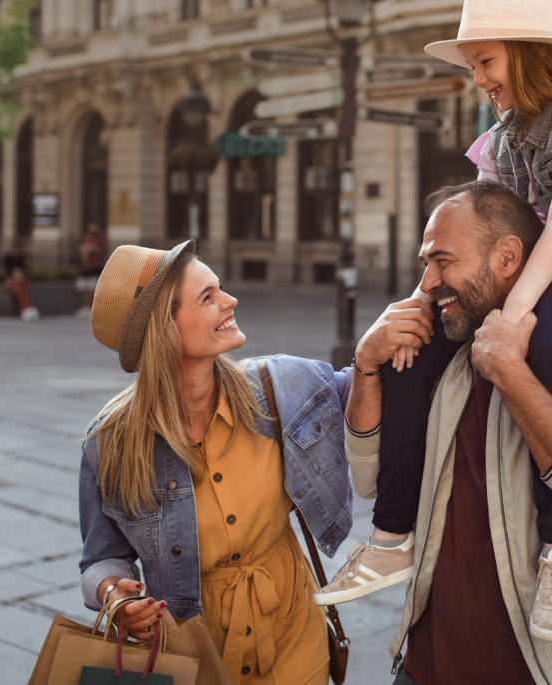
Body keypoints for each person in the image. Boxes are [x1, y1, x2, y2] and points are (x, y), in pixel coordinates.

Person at [317, 0, 552, 644]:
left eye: (485, 61)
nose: (478, 77)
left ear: (528, 52)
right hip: (529, 253)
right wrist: (413, 310)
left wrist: (515, 316)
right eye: (473, 64)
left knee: (539, 347)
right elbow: (479, 231)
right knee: (420, 344)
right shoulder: (502, 138)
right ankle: (391, 534)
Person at [344, 181, 552, 684]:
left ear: (506, 257)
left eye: (443, 261)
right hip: (428, 661)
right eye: (424, 263)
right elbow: (371, 481)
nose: (427, 283)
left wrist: (511, 374)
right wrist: (366, 365)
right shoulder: (450, 346)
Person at [77, 240, 361, 685]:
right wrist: (115, 598)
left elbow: (362, 386)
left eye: (220, 288)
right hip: (194, 655)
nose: (230, 301)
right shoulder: (109, 444)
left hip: (294, 632)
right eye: (207, 298)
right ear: (164, 329)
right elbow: (100, 559)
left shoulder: (275, 386)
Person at [76, 220, 107, 316]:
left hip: (96, 266)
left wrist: (92, 248)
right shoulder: (86, 237)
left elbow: (103, 250)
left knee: (94, 289)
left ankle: (95, 308)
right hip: (86, 266)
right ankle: (86, 307)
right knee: (86, 288)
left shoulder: (101, 237)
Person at [3, 240, 39, 321]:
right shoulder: (8, 258)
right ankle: (27, 309)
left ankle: (26, 309)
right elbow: (6, 271)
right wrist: (13, 275)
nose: (21, 251)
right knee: (20, 291)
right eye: (20, 249)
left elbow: (27, 271)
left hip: (21, 279)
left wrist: (27, 263)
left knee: (23, 291)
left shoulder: (22, 258)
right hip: (11, 280)